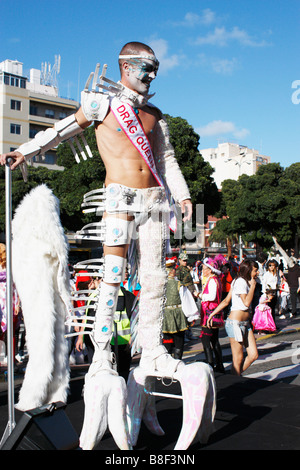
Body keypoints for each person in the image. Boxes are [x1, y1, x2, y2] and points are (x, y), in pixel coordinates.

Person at [0, 42, 192, 379]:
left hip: (156, 201)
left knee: (155, 278)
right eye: (145, 67)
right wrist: (25, 151)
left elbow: (167, 161)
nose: (151, 75)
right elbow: (60, 131)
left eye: (155, 69)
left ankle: (151, 350)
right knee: (112, 276)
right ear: (125, 66)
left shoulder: (155, 116)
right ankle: (102, 353)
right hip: (119, 198)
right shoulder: (100, 104)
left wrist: (184, 196)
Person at [207, 259, 259, 376]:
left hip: (245, 323)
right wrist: (253, 286)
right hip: (235, 323)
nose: (257, 273)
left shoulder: (240, 281)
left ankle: (235, 377)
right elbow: (246, 302)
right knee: (238, 358)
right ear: (249, 270)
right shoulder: (240, 281)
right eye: (255, 271)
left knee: (253, 355)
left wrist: (212, 314)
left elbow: (226, 301)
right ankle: (235, 382)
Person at [195, 257, 225, 372]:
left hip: (209, 313)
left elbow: (211, 297)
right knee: (214, 340)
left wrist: (200, 295)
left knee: (206, 341)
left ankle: (211, 365)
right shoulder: (214, 279)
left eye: (204, 268)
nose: (202, 270)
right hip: (213, 311)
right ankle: (219, 364)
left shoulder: (212, 280)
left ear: (210, 270)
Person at [162, 259, 188, 359]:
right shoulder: (179, 284)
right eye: (173, 269)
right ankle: (177, 361)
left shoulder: (160, 285)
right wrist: (191, 316)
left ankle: (167, 362)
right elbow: (186, 301)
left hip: (166, 314)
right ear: (172, 271)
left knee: (167, 340)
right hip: (178, 314)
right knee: (179, 340)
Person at [0, 243, 21, 364]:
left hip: (8, 296)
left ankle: (11, 355)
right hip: (2, 296)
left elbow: (15, 284)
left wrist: (17, 303)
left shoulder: (10, 267)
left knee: (10, 328)